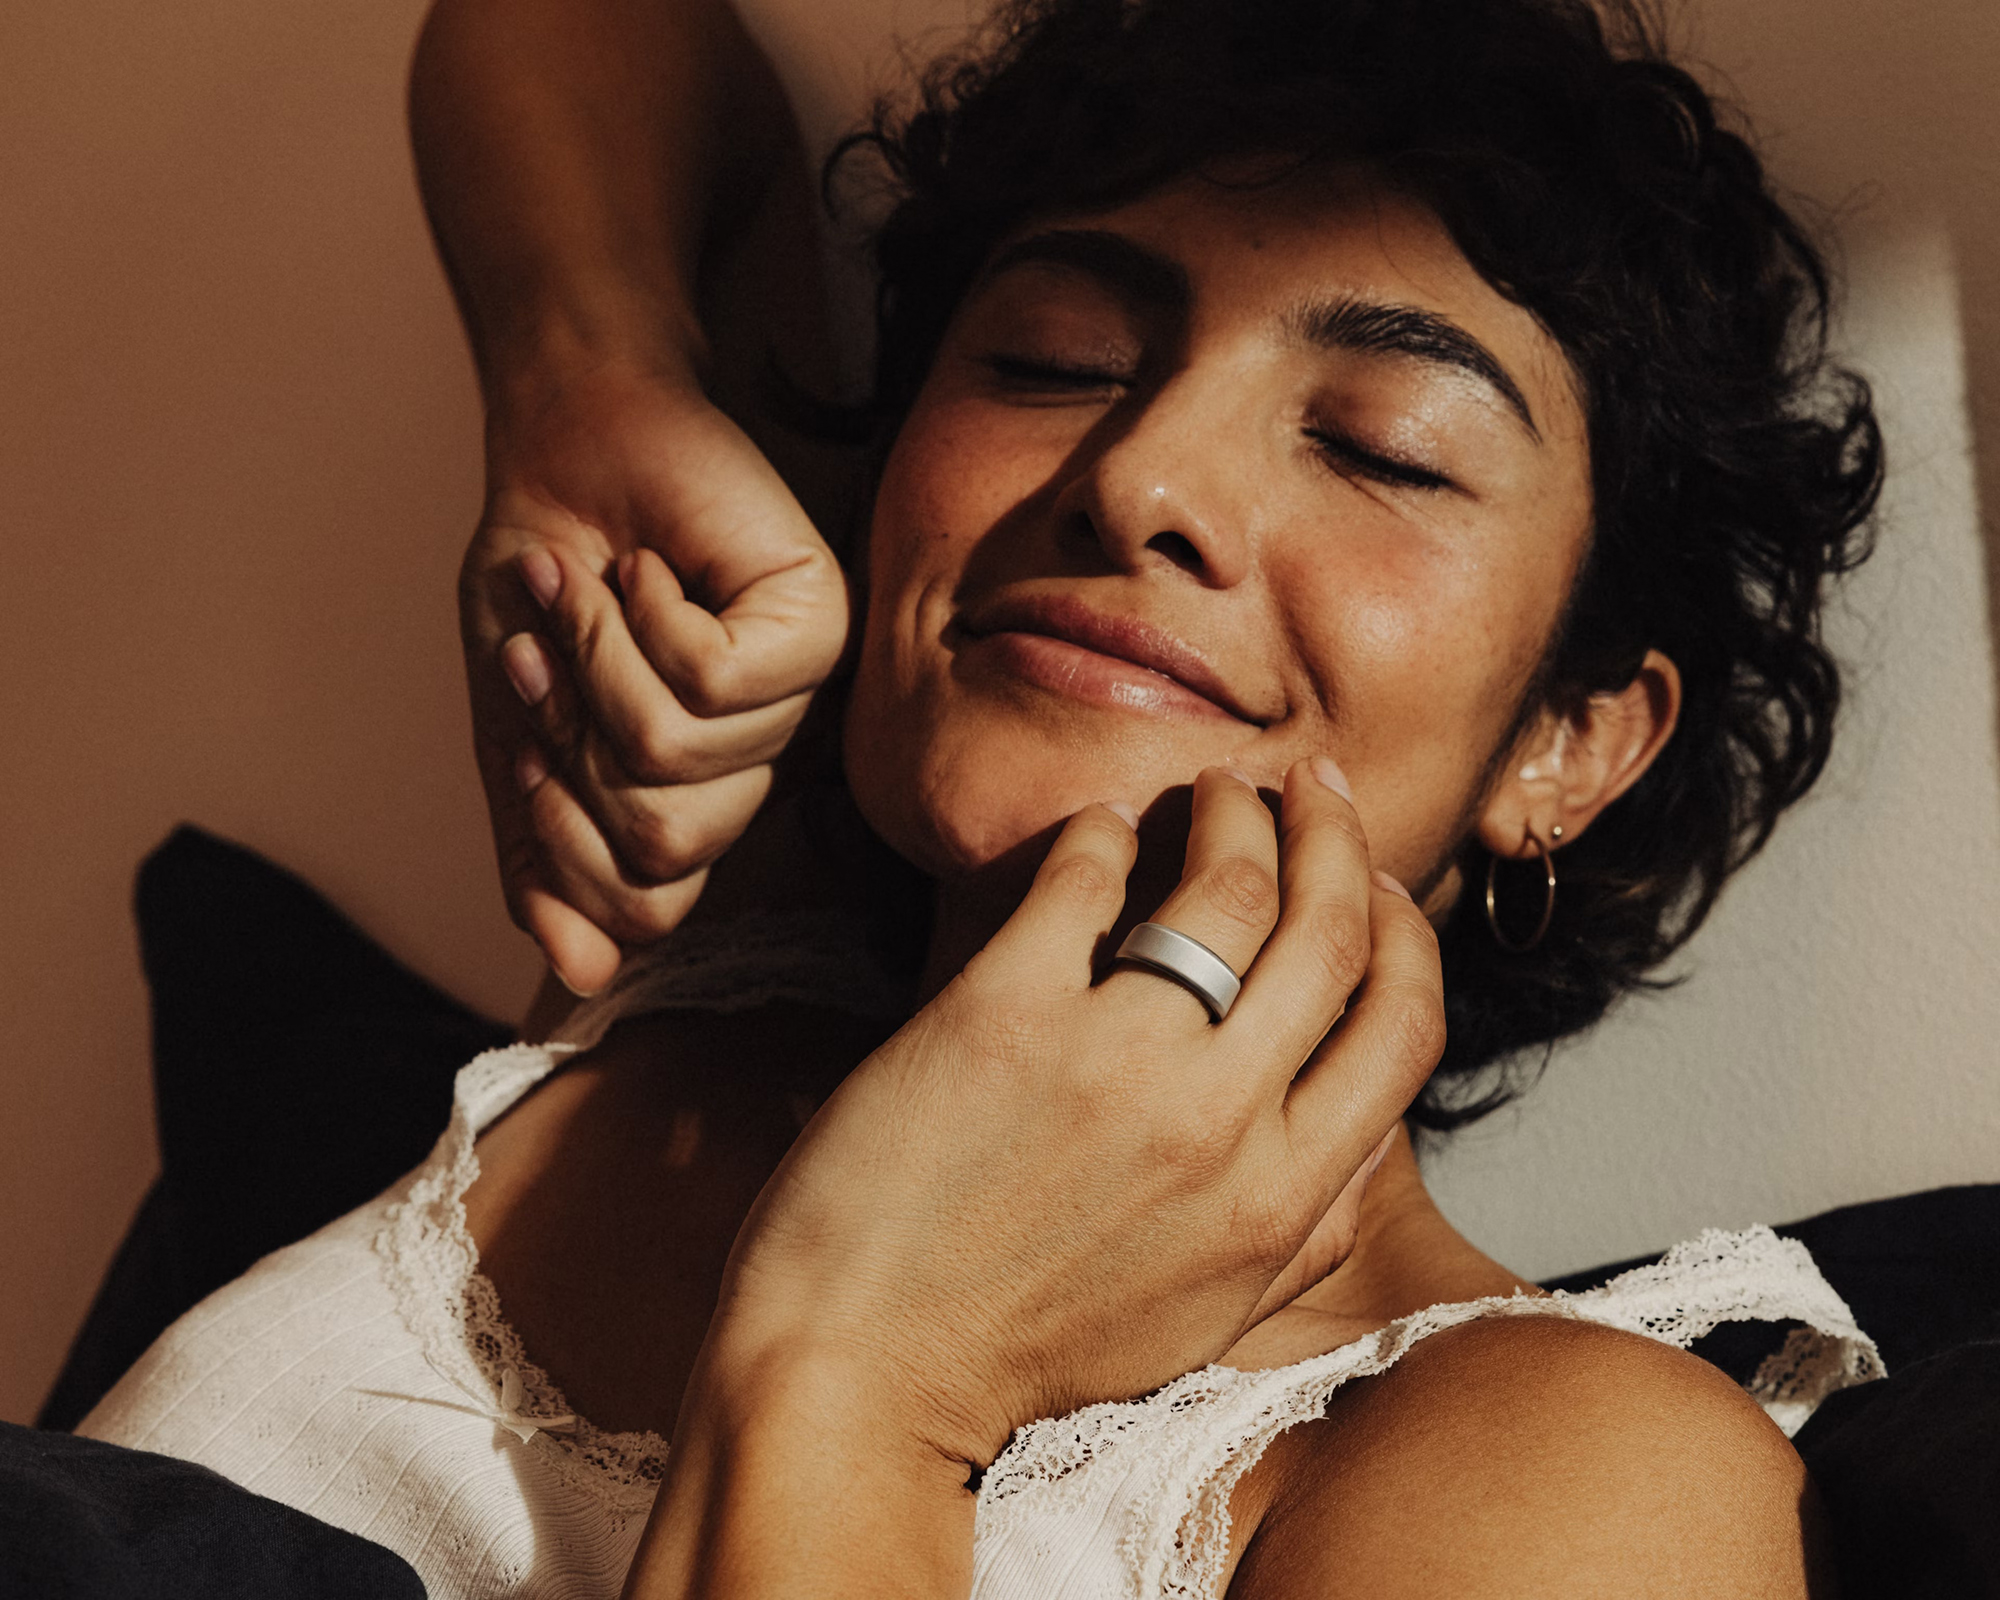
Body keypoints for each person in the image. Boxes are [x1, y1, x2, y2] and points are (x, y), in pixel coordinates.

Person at [79, 0, 1889, 1594]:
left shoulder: (1571, 1464)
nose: (1141, 476)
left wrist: (874, 1367)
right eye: (1053, 358)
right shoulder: (717, 921)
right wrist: (587, 384)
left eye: (1378, 447)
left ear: (1574, 740)